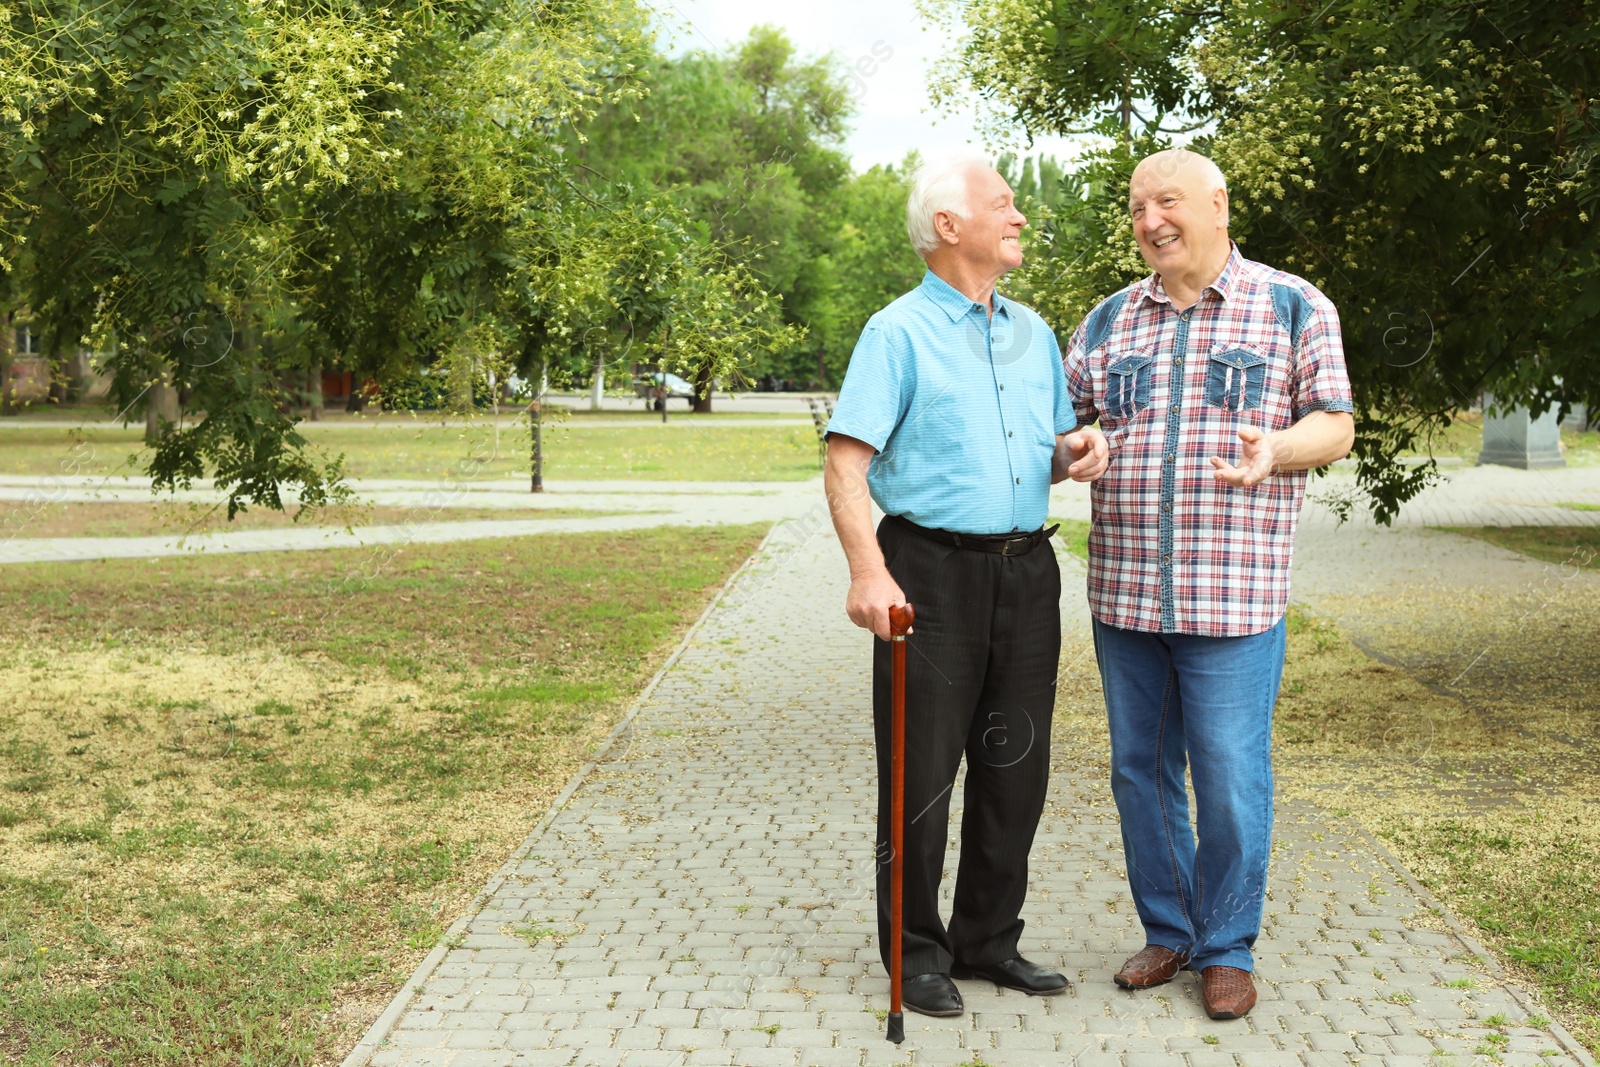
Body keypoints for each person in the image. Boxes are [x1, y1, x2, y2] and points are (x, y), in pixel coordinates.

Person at [1062, 149, 1355, 1020]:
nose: (1151, 219)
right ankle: (1169, 930)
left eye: (1168, 201)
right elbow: (1066, 428)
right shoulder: (1108, 318)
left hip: (1234, 597)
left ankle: (1227, 945)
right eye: (1138, 205)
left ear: (1218, 203)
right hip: (1125, 595)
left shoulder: (1292, 304)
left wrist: (1278, 450)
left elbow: (1336, 424)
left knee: (1228, 776)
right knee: (1140, 773)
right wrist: (1073, 450)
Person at [823, 151, 1109, 1018]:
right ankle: (914, 954)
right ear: (950, 226)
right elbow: (845, 463)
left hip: (1027, 570)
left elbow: (1053, 450)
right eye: (1006, 204)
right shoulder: (896, 332)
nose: (1021, 217)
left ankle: (989, 939)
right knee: (922, 774)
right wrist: (867, 570)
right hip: (930, 574)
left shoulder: (1030, 330)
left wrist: (1078, 451)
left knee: (1014, 766)